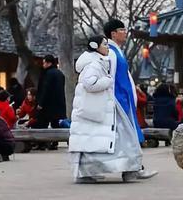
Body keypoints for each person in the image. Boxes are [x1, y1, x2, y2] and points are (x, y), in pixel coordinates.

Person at [70, 35, 138, 183]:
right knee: (112, 139)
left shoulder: (96, 61)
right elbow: (89, 83)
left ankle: (88, 172)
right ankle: (128, 169)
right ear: (96, 47)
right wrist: (107, 81)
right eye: (104, 44)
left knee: (93, 142)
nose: (107, 47)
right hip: (96, 109)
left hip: (96, 109)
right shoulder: (94, 64)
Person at [104, 18, 158, 180]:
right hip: (119, 100)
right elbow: (110, 78)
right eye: (122, 30)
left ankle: (133, 168)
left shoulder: (116, 51)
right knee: (125, 137)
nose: (125, 32)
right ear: (113, 34)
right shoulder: (111, 52)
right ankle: (133, 169)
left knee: (127, 137)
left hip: (124, 98)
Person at [35, 55, 67, 131]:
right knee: (56, 124)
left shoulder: (47, 74)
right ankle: (55, 141)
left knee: (42, 124)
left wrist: (40, 103)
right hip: (59, 103)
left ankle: (43, 142)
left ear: (49, 63)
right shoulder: (60, 73)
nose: (43, 65)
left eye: (44, 63)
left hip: (48, 104)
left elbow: (45, 89)